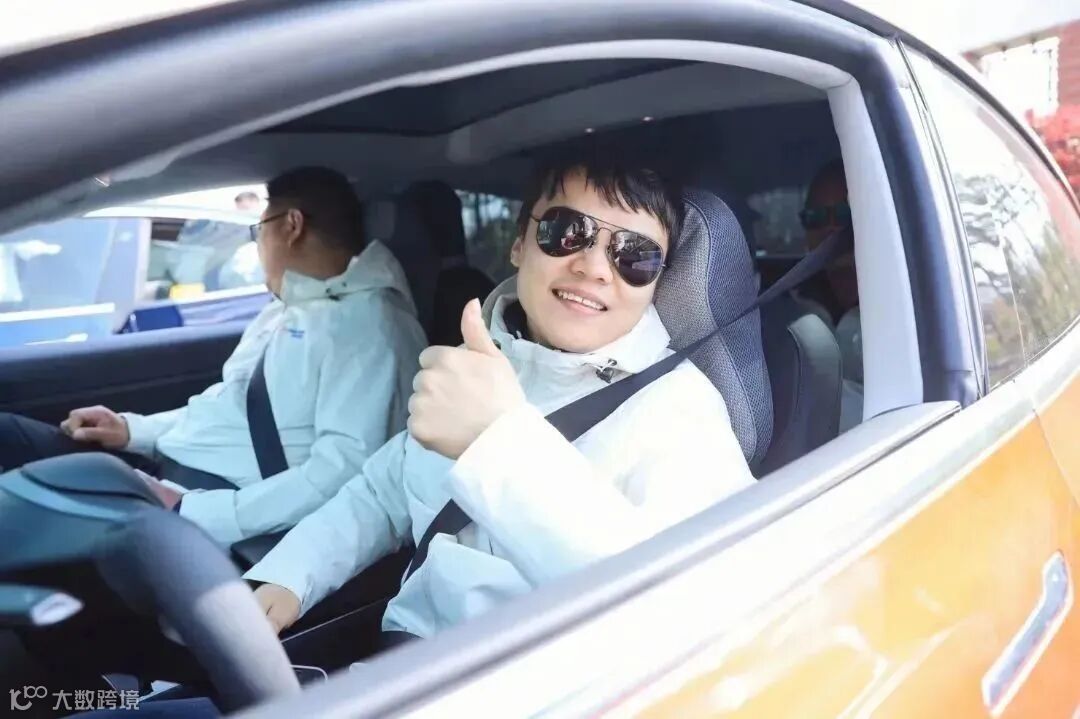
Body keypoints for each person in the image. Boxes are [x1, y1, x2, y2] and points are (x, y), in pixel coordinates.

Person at [74, 152, 756, 718]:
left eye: (635, 255)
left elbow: (687, 612)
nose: (596, 267)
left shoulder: (679, 413)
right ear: (520, 242)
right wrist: (289, 575)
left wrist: (499, 444)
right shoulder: (484, 359)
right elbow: (382, 489)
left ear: (657, 281)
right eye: (567, 232)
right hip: (401, 660)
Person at [0, 166, 428, 547]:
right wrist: (131, 430)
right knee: (9, 435)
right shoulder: (289, 308)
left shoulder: (369, 327)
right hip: (175, 475)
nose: (258, 245)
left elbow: (341, 472)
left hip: (216, 508)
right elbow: (227, 404)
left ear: (291, 225)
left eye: (259, 229)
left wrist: (199, 512)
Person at [795, 158, 862, 430]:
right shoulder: (788, 309)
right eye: (816, 218)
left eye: (844, 215)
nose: (830, 228)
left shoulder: (903, 304)